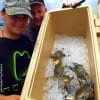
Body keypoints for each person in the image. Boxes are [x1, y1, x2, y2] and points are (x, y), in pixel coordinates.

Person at [0, 0, 33, 99]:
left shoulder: (27, 41)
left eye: (24, 17)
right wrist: (4, 98)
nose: (20, 22)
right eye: (14, 17)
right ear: (2, 13)